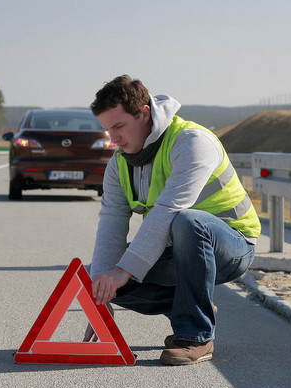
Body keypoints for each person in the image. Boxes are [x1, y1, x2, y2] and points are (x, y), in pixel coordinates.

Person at [84, 75, 260, 366]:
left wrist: (123, 271)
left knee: (187, 222)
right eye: (107, 130)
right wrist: (100, 298)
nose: (113, 139)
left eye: (119, 126)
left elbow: (169, 210)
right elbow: (111, 223)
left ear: (144, 113)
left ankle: (196, 336)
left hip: (232, 245)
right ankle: (194, 306)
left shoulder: (191, 142)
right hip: (179, 250)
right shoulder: (119, 164)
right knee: (98, 276)